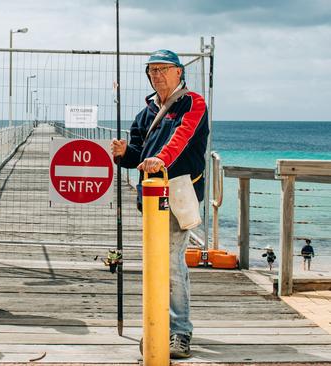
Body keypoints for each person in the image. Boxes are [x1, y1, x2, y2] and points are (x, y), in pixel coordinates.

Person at [110, 49, 209, 359]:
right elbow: (138, 156)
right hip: (150, 199)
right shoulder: (145, 113)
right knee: (158, 262)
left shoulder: (193, 103)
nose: (157, 75)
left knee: (172, 261)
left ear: (179, 72)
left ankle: (180, 331)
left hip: (179, 193)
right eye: (152, 70)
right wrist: (124, 153)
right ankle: (160, 325)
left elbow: (183, 135)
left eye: (164, 69)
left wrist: (160, 159)